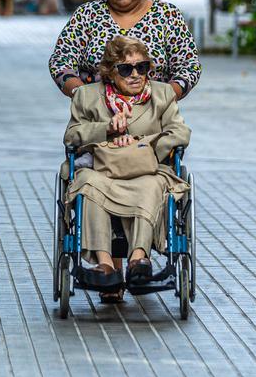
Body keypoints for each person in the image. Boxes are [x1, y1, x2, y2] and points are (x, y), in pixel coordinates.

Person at [64, 35, 190, 303]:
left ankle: (138, 259)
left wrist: (142, 145)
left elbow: (179, 131)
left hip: (146, 169)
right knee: (86, 183)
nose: (135, 75)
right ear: (110, 73)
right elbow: (72, 136)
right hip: (102, 170)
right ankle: (106, 264)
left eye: (142, 67)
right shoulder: (87, 96)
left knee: (153, 184)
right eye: (126, 69)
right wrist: (107, 130)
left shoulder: (162, 94)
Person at [49, 0, 202, 100]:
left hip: (155, 115)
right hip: (96, 115)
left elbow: (189, 66)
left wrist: (163, 98)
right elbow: (60, 61)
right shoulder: (87, 15)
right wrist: (82, 96)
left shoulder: (167, 15)